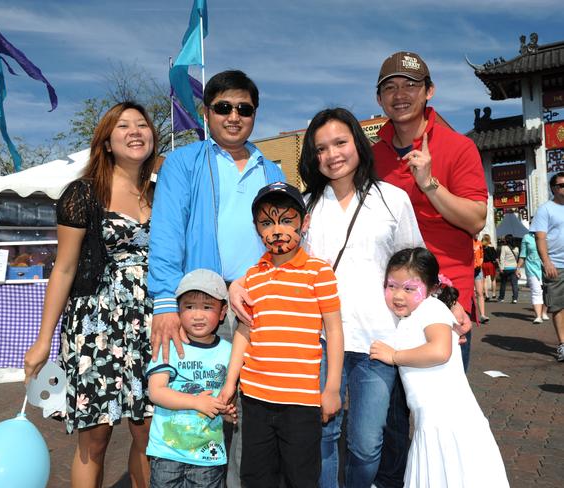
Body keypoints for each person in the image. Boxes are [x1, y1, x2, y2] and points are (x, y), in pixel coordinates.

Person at [230, 108, 423, 488]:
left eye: (340, 142)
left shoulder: (392, 199)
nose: (332, 154)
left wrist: (439, 306)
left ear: (358, 143)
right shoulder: (306, 206)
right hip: (317, 342)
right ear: (313, 157)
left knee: (367, 446)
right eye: (321, 148)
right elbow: (279, 256)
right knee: (322, 440)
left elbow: (413, 264)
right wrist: (238, 282)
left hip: (377, 342)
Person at [148, 69, 284, 487]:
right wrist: (166, 303)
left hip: (258, 306)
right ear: (207, 112)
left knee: (249, 413)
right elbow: (167, 234)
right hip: (200, 307)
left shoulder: (272, 171)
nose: (233, 116)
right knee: (195, 406)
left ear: (255, 114)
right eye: (223, 107)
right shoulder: (183, 163)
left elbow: (285, 242)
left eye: (244, 108)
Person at [24, 101, 158, 488]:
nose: (135, 131)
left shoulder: (161, 194)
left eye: (142, 125)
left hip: (150, 328)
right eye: (123, 127)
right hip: (95, 328)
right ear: (107, 142)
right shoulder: (82, 193)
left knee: (147, 435)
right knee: (94, 441)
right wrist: (43, 340)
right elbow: (64, 269)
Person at [371, 51, 488, 488]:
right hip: (392, 300)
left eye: (410, 85)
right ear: (380, 97)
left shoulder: (458, 147)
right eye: (390, 87)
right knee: (392, 418)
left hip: (443, 302)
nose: (400, 95)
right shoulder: (373, 154)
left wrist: (429, 183)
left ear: (429, 91)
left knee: (439, 410)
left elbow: (475, 219)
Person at [220, 182, 344, 488]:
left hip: (301, 401)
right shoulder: (252, 277)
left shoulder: (319, 272)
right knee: (256, 476)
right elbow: (244, 332)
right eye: (267, 222)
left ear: (304, 222)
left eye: (286, 220)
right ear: (256, 228)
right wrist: (229, 383)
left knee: (300, 477)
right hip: (256, 399)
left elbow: (335, 330)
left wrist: (331, 389)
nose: (276, 230)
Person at [370, 247, 509, 487]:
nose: (398, 295)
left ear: (432, 288)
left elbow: (440, 351)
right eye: (392, 286)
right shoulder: (413, 313)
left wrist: (394, 356)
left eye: (409, 288)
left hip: (448, 419)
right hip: (431, 421)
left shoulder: (431, 309)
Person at [147, 269, 234, 488]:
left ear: (222, 312)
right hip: (167, 454)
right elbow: (156, 391)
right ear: (178, 310)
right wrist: (196, 402)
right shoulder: (170, 345)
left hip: (209, 457)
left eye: (207, 307)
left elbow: (225, 396)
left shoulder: (228, 351)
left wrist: (227, 411)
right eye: (189, 307)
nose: (197, 315)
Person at [531, 172, 564, 362]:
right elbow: (540, 238)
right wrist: (547, 261)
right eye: (561, 185)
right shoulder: (546, 209)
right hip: (556, 265)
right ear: (553, 189)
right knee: (558, 305)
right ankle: (562, 344)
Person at [517, 231, 549, 323]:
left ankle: (543, 312)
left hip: (546, 267)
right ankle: (538, 316)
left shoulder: (548, 235)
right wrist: (518, 267)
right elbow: (523, 254)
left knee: (547, 291)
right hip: (532, 268)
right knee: (536, 291)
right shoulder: (527, 237)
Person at [498, 234, 519, 304]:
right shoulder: (516, 248)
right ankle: (515, 298)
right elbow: (517, 258)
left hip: (505, 268)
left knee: (503, 284)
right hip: (514, 267)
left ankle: (501, 298)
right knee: (514, 284)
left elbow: (502, 258)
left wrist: (501, 268)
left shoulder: (504, 247)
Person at [473, 235, 489, 323]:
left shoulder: (479, 243)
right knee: (469, 293)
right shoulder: (467, 242)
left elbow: (482, 255)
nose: (477, 234)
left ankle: (482, 315)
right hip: (468, 270)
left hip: (478, 270)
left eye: (478, 232)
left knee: (480, 292)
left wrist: (480, 263)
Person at [481, 233, 499, 301]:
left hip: (483, 264)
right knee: (493, 279)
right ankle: (494, 294)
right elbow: (496, 258)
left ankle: (487, 295)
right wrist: (499, 265)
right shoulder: (491, 247)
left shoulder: (481, 247)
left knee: (484, 280)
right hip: (491, 264)